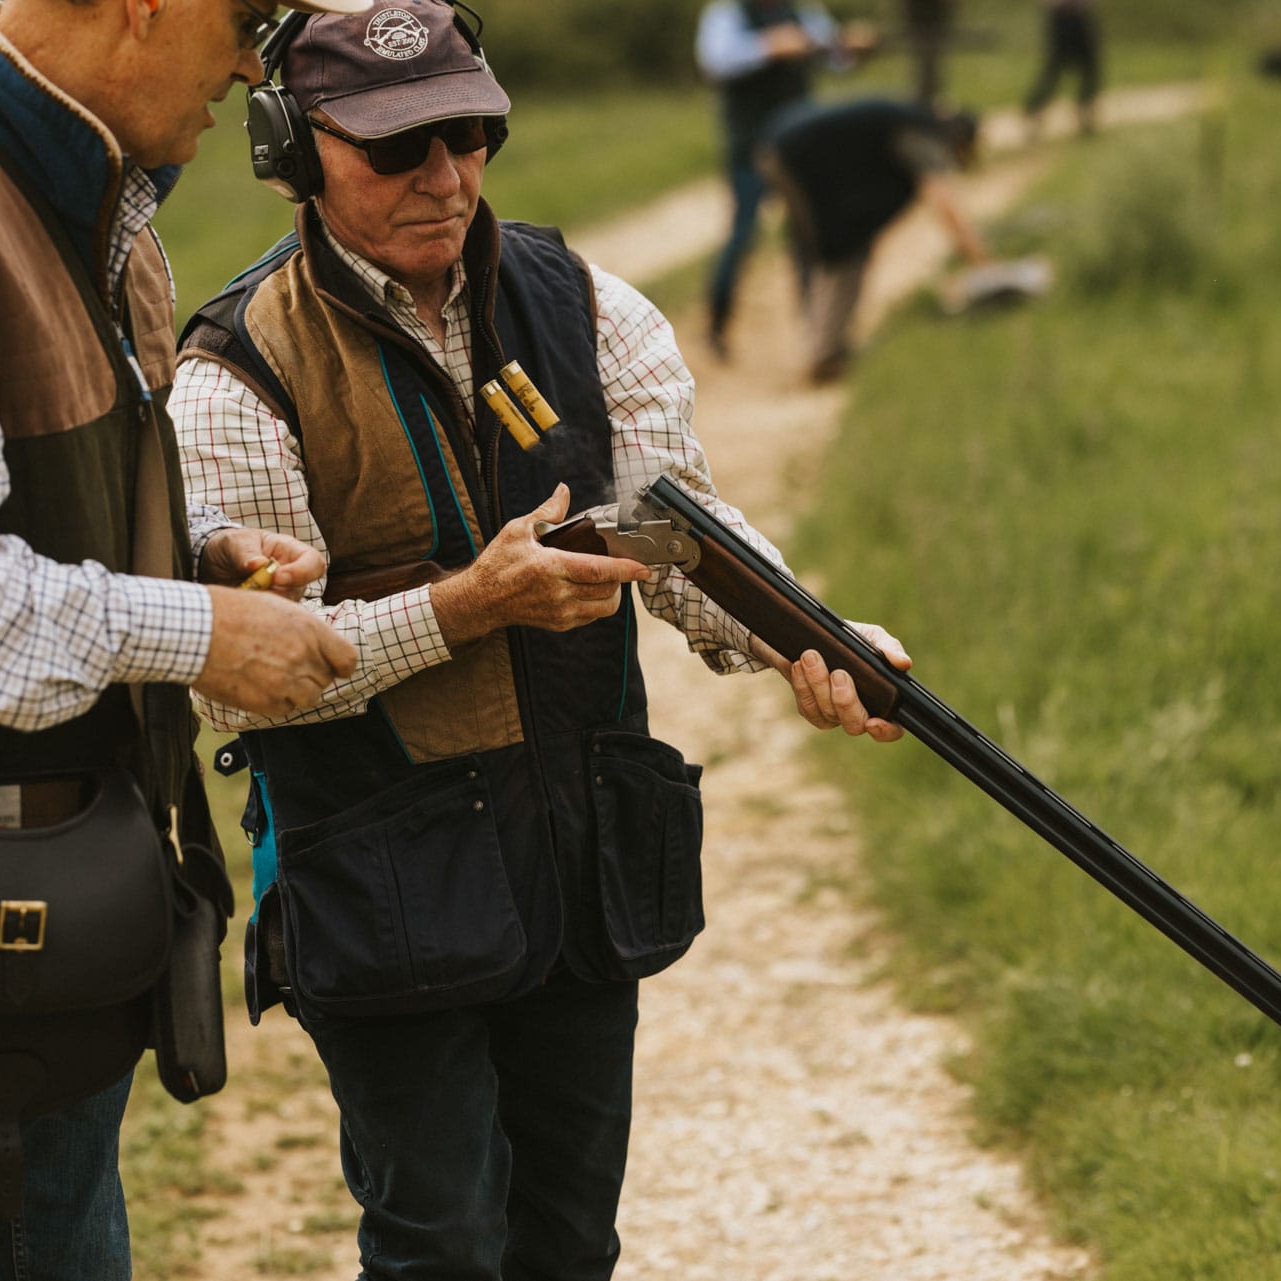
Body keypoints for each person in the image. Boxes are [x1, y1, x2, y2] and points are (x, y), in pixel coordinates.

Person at [169, 3, 911, 1277]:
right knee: (442, 1240)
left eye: (468, 135)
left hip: (576, 857)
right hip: (380, 883)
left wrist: (817, 640)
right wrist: (466, 606)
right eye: (397, 148)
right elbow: (253, 683)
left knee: (570, 1241)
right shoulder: (236, 374)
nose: (445, 177)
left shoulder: (591, 307)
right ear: (292, 145)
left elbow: (684, 536)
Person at [0, 0, 363, 1273]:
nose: (252, 63)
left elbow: (22, 502)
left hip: (41, 919)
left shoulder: (96, 205)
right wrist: (197, 631)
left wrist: (192, 550)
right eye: (244, 17)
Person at [758, 96, 987, 383]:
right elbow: (945, 206)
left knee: (846, 247)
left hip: (790, 150)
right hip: (792, 156)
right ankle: (822, 354)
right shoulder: (922, 136)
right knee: (840, 250)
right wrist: (982, 262)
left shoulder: (912, 121)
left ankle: (826, 348)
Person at [694, 0, 873, 361]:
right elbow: (715, 60)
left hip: (799, 149)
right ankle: (717, 324)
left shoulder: (802, 11)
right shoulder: (728, 13)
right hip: (751, 148)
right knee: (743, 235)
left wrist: (853, 46)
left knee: (808, 236)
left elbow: (834, 56)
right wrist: (768, 46)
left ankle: (819, 332)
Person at [1024, 0, 1100, 138]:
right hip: (1060, 17)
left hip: (1080, 16)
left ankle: (1085, 110)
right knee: (1054, 69)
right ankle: (1034, 111)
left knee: (1089, 68)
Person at [900, 0, 955, 107]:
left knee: (930, 59)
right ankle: (925, 96)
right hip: (920, 13)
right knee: (924, 58)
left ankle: (928, 96)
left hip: (934, 13)